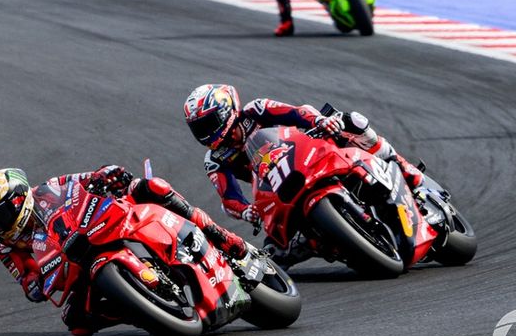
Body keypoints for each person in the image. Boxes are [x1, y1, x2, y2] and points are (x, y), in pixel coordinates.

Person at [0, 165, 247, 336]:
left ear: (21, 198)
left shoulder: (49, 189)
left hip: (98, 225)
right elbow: (27, 282)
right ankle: (143, 310)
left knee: (151, 187)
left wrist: (108, 174)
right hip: (73, 266)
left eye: (1, 213)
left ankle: (219, 235)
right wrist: (36, 285)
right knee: (76, 322)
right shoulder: (5, 246)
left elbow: (90, 177)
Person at [183, 83, 429, 268]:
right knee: (273, 252)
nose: (205, 132)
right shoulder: (215, 159)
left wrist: (321, 121)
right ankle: (327, 242)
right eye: (198, 128)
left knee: (352, 122)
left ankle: (402, 165)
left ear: (226, 110)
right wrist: (247, 211)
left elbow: (296, 113)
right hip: (279, 189)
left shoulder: (255, 110)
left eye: (209, 122)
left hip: (308, 150)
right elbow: (229, 199)